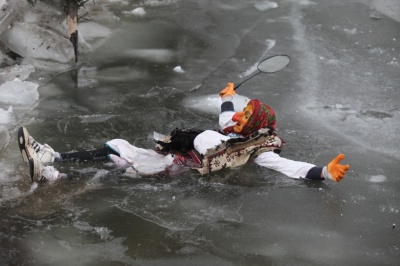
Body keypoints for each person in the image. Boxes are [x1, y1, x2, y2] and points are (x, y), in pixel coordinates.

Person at [18, 82, 349, 182]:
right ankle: (54, 155)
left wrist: (321, 171)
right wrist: (227, 98)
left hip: (180, 166)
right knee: (117, 147)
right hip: (176, 151)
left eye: (248, 113)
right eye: (243, 111)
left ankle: (54, 176)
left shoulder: (259, 148)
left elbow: (284, 166)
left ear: (259, 122)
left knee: (125, 168)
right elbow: (225, 121)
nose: (241, 116)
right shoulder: (236, 132)